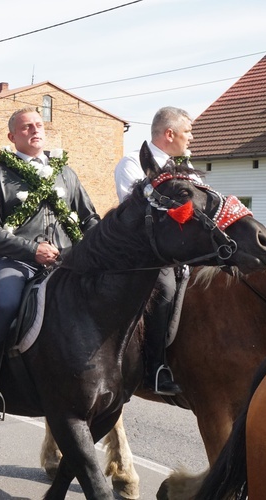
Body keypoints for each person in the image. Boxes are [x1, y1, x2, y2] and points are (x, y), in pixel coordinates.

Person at [0, 107, 100, 419]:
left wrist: (99, 250)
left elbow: (90, 218)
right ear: (12, 136)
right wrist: (32, 250)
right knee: (4, 306)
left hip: (68, 262)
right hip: (17, 262)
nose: (34, 130)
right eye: (26, 127)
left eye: (38, 125)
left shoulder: (66, 173)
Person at [114, 106, 195, 396]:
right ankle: (154, 369)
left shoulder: (184, 167)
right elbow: (137, 212)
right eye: (188, 131)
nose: (192, 137)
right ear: (169, 133)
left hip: (181, 248)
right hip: (146, 253)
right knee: (165, 291)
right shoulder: (132, 164)